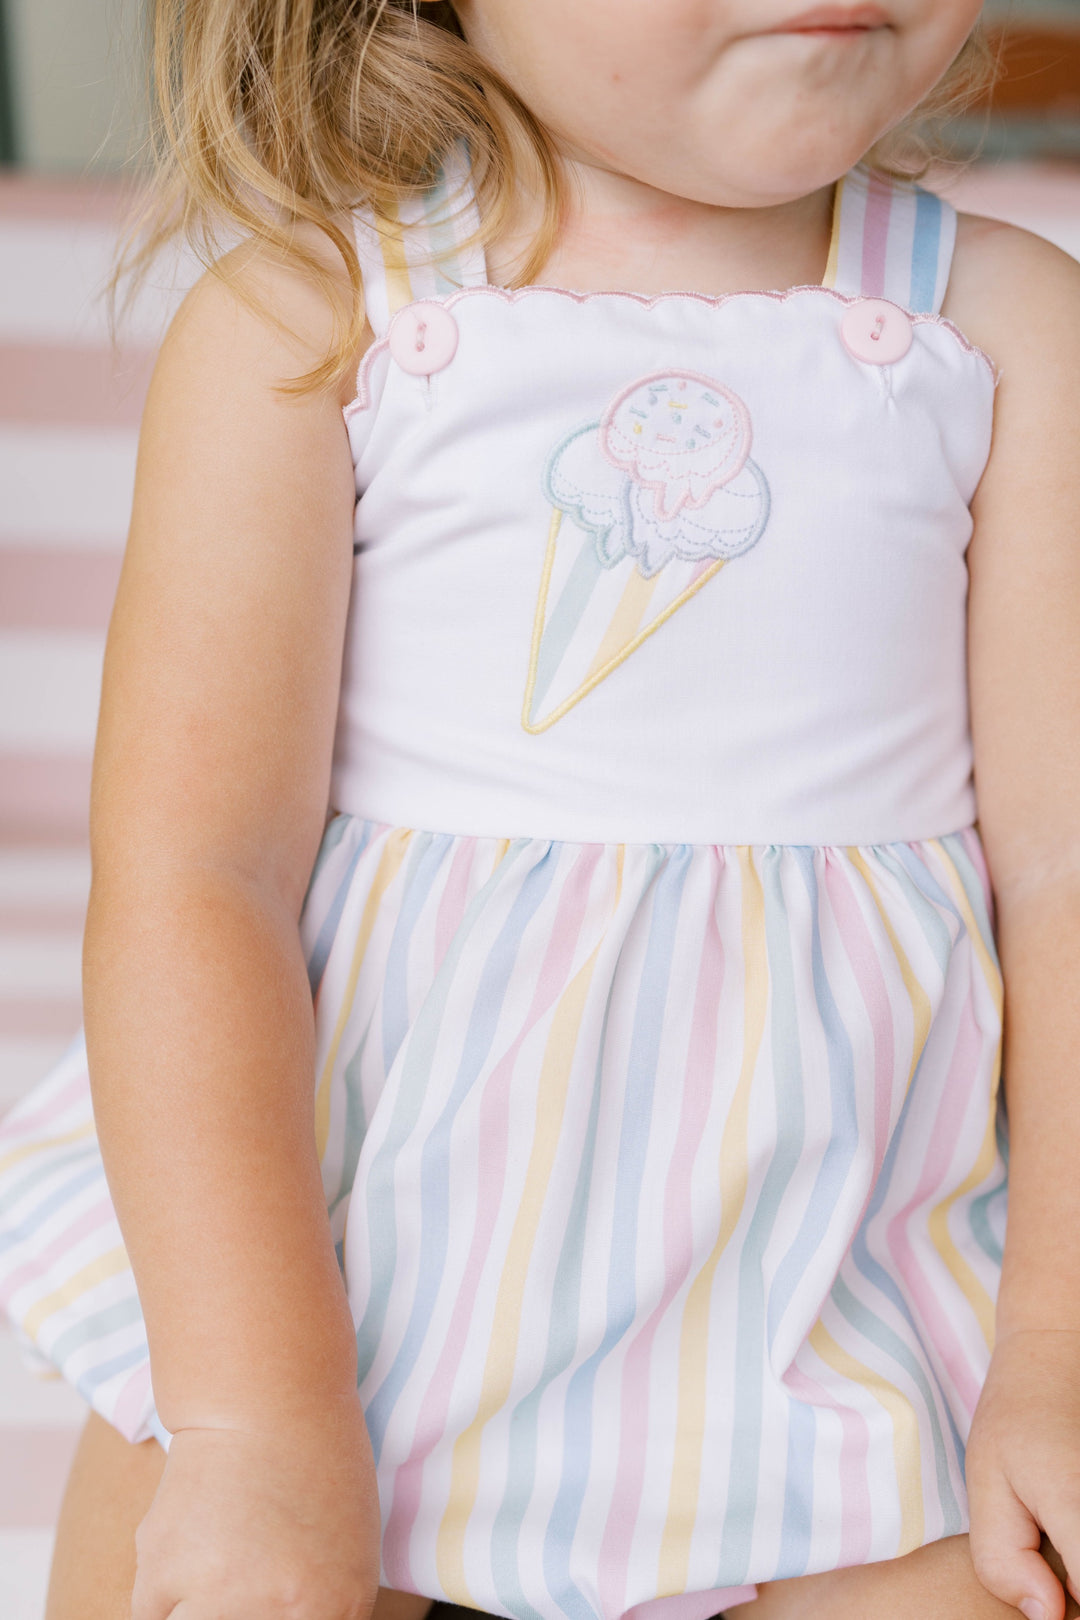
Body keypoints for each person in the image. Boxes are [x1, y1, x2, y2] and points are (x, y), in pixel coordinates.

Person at [3, 1, 1080, 1616]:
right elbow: (196, 875)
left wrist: (1055, 1349)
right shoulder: (309, 320)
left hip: (833, 1260)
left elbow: (1063, 870)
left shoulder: (1001, 325)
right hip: (351, 1262)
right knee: (174, 1532)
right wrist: (254, 1415)